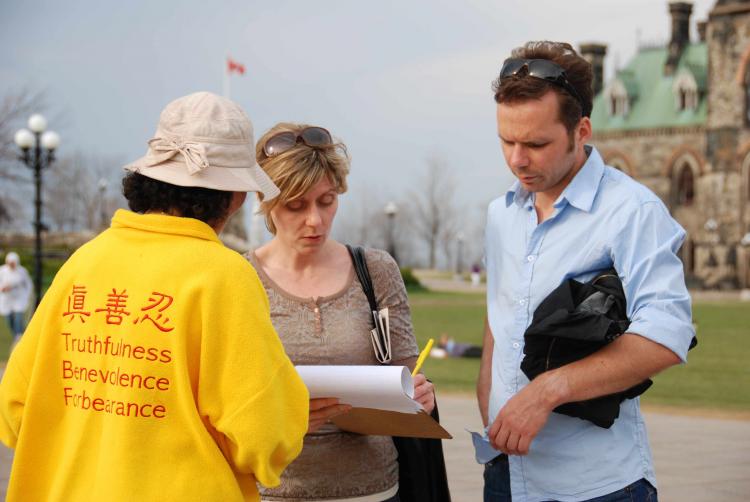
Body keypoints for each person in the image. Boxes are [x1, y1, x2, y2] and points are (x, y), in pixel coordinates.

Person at [0, 92, 309, 502]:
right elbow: (265, 438)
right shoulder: (224, 276)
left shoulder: (84, 261)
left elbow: (15, 408)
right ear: (235, 197)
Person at [476, 42, 695, 501]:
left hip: (596, 486)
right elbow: (500, 318)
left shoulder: (631, 210)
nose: (517, 159)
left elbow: (668, 333)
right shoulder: (501, 213)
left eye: (536, 144)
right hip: (505, 477)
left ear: (581, 130)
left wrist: (546, 391)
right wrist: (490, 406)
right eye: (506, 140)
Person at [245, 122, 436, 502]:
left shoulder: (376, 271)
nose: (314, 220)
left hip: (374, 490)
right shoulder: (240, 278)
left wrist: (417, 394)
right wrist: (285, 415)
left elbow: (405, 370)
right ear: (265, 202)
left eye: (326, 200)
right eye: (295, 205)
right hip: (270, 492)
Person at [0, 251, 32, 342]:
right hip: (6, 300)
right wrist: (2, 288)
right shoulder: (2, 271)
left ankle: (19, 337)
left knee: (18, 319)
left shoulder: (22, 271)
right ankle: (20, 334)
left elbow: (28, 284)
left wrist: (27, 295)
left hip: (19, 299)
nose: (11, 265)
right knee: (9, 320)